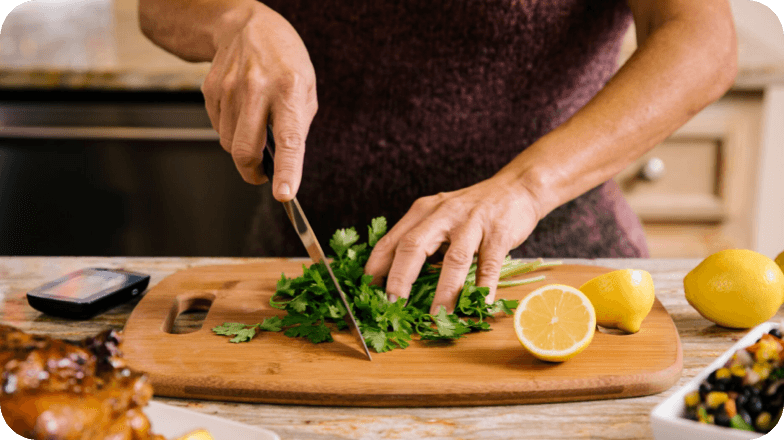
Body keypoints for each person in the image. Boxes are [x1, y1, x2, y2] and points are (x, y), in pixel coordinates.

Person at [139, 0, 737, 314]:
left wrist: (527, 187)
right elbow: (158, 5)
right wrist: (234, 16)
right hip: (302, 267)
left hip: (553, 271)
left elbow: (703, 37)